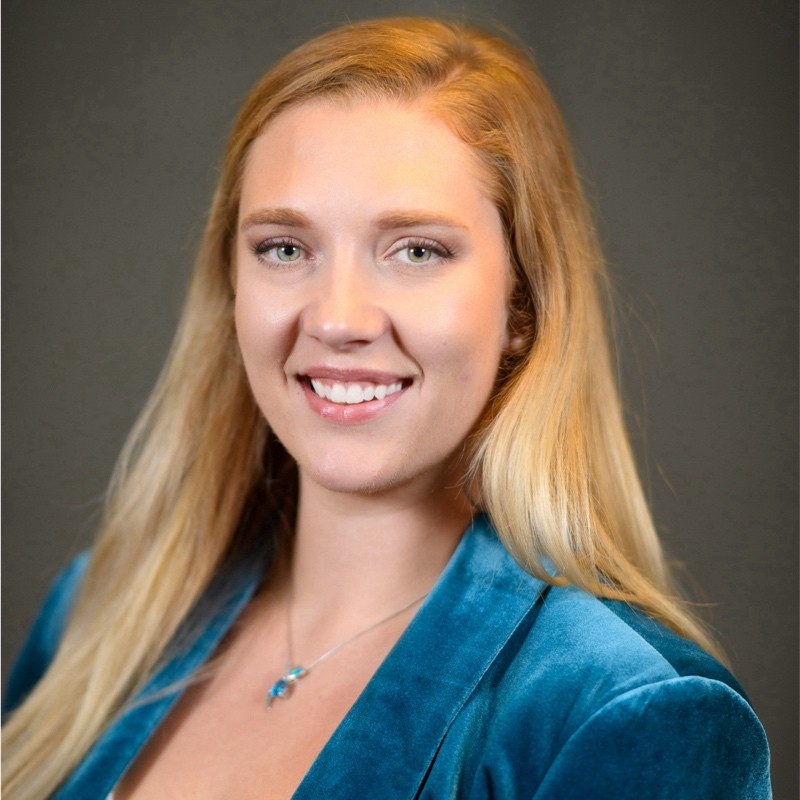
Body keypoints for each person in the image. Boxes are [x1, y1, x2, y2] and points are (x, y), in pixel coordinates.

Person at [2, 16, 770, 800]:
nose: (338, 319)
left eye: (415, 251)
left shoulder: (624, 710)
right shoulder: (96, 616)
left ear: (522, 307)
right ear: (233, 287)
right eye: (285, 248)